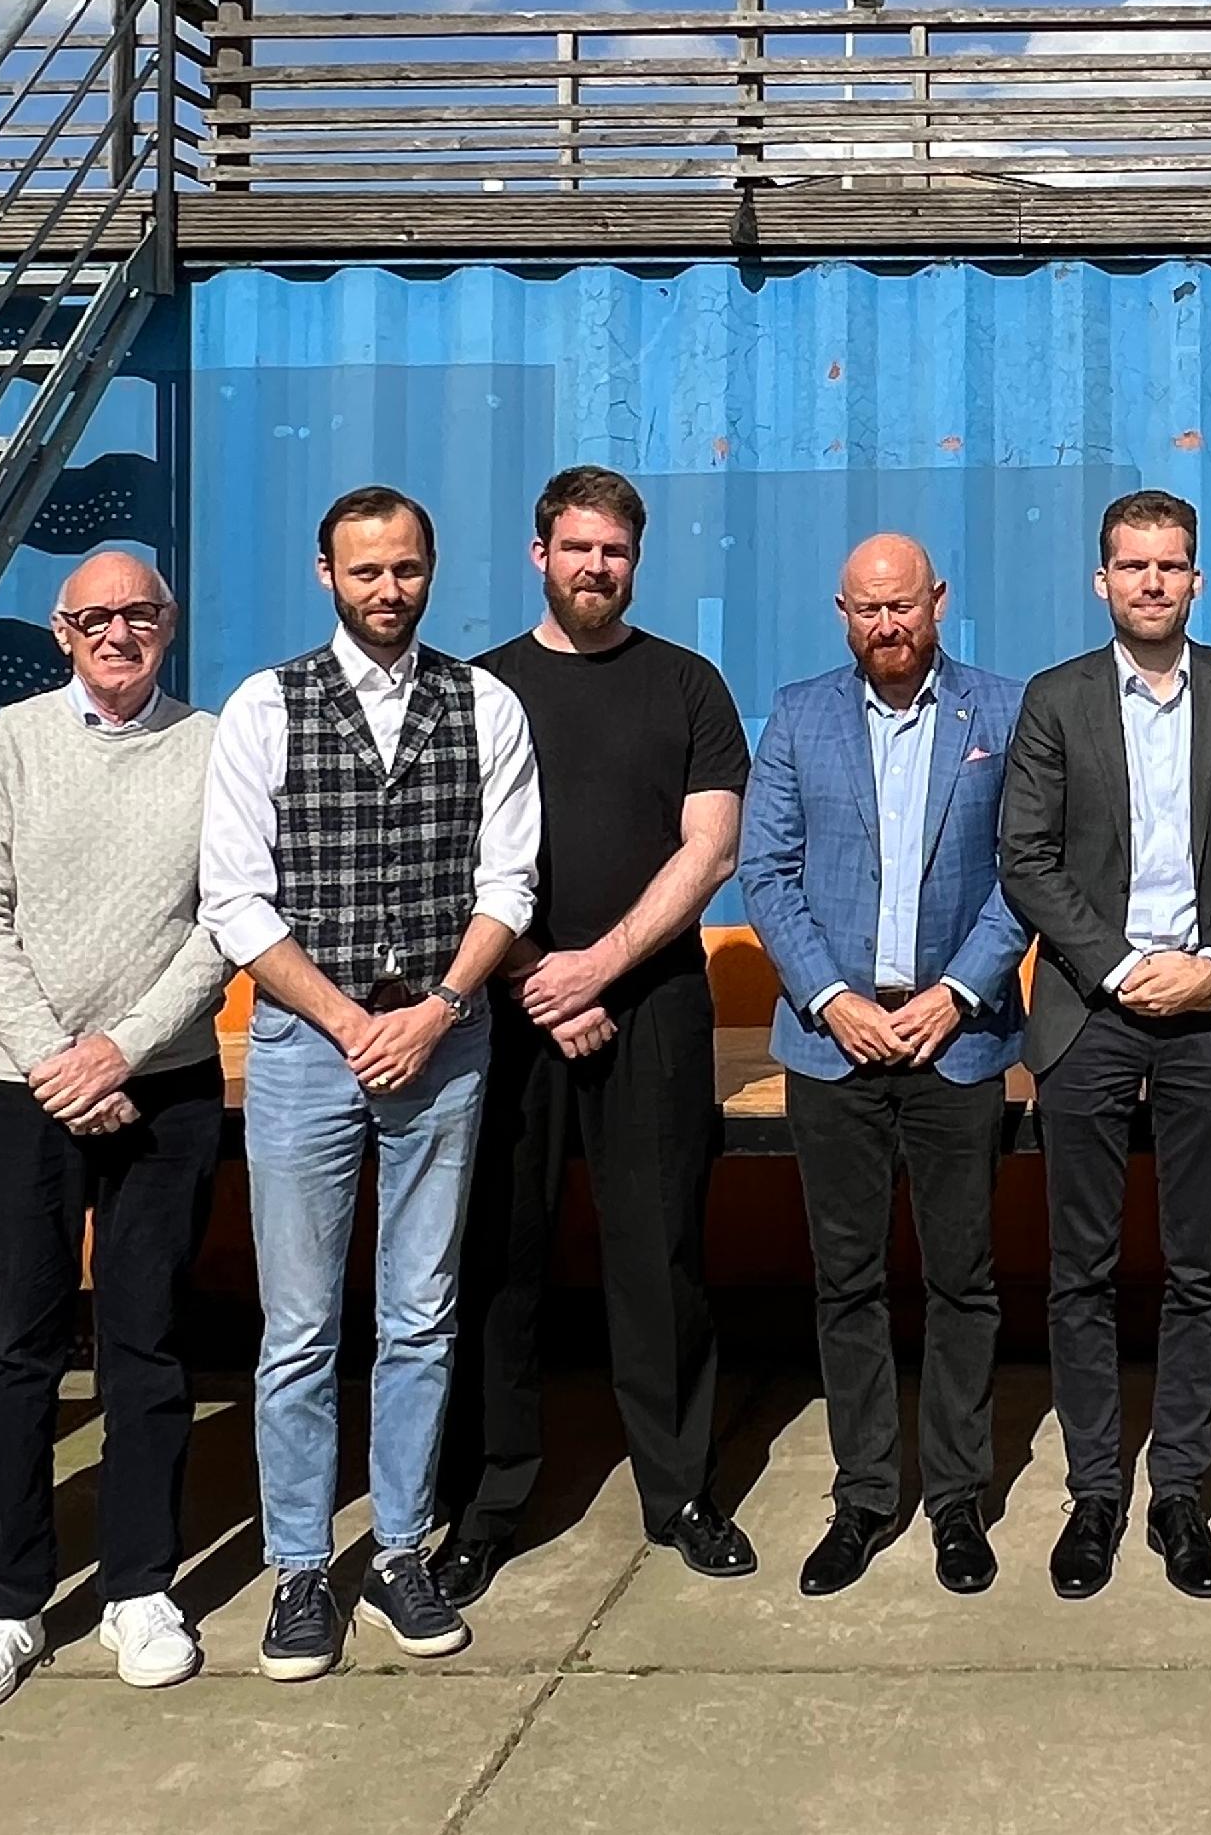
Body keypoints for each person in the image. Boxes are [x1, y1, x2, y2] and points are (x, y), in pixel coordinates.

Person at [200, 485, 538, 1682]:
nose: (386, 588)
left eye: (405, 568)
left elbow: (510, 882)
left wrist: (440, 1007)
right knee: (297, 1325)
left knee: (419, 1312)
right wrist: (349, 1018)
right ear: (324, 573)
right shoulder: (265, 704)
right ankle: (300, 1566)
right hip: (307, 1045)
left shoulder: (484, 700)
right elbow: (235, 897)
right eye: (365, 570)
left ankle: (397, 1547)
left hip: (445, 1041)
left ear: (431, 569)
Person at [439, 466, 758, 1598]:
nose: (595, 566)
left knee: (658, 1254)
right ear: (539, 552)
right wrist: (537, 974)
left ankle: (679, 1489)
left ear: (637, 558)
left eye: (615, 550)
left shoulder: (686, 683)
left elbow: (709, 847)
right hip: (508, 1005)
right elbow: (455, 856)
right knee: (498, 1258)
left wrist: (598, 969)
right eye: (576, 546)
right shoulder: (478, 689)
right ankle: (486, 1501)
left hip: (653, 1002)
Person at [0, 550, 232, 1720]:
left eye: (140, 614)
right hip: (20, 1089)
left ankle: (139, 1586)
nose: (119, 632)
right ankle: (7, 1599)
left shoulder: (213, 745)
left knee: (148, 1340)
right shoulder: (5, 743)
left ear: (169, 623)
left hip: (164, 1085)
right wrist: (65, 1062)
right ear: (61, 632)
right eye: (95, 617)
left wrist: (123, 1048)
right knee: (17, 1345)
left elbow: (228, 919)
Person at [998, 488, 1211, 1601]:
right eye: (1132, 566)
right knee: (1078, 1267)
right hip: (1091, 1010)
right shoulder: (1056, 699)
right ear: (1102, 578)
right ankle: (1093, 1492)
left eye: (1171, 565)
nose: (1152, 583)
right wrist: (1126, 966)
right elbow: (1025, 855)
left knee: (1199, 1265)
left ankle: (1177, 1489)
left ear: (1196, 578)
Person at [739, 534, 1028, 1598]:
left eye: (902, 603)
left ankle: (958, 1499)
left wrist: (958, 991)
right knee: (847, 1280)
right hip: (834, 1043)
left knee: (963, 1279)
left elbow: (1023, 870)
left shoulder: (1001, 711)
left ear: (938, 600)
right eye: (866, 608)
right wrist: (832, 997)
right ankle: (864, 1495)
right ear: (840, 611)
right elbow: (765, 872)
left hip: (960, 1041)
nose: (886, 624)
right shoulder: (799, 711)